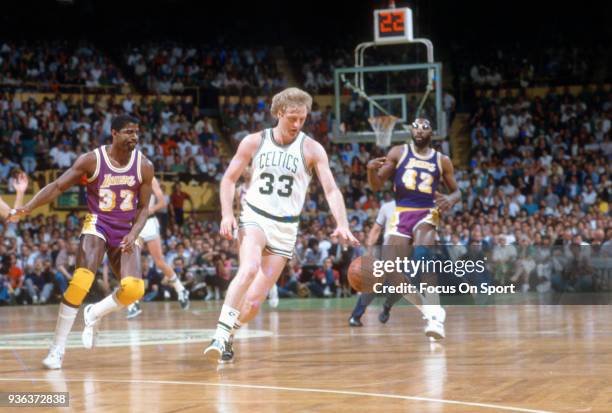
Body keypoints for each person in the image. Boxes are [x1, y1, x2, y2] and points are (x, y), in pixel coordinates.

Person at [204, 87, 359, 363]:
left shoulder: (312, 148)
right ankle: (220, 331)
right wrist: (227, 214)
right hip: (255, 217)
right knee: (249, 267)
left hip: (286, 227)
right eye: (292, 118)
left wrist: (342, 222)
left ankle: (230, 334)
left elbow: (331, 190)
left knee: (253, 303)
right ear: (278, 113)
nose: (297, 124)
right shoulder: (254, 141)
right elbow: (228, 179)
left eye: (302, 119)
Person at [9, 115, 153, 369]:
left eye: (137, 133)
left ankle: (94, 313)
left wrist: (135, 231)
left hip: (127, 230)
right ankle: (57, 349)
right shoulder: (92, 160)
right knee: (81, 281)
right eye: (128, 132)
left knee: (134, 290)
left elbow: (143, 208)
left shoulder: (144, 166)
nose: (134, 137)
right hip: (99, 224)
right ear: (114, 133)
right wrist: (29, 207)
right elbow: (57, 186)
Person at [366, 117, 461, 340]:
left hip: (427, 211)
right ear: (411, 132)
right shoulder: (398, 152)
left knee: (423, 255)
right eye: (416, 128)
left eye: (424, 128)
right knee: (389, 268)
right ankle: (430, 312)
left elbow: (457, 191)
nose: (419, 131)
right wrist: (370, 171)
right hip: (402, 212)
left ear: (431, 133)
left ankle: (435, 315)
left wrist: (451, 198)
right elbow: (376, 185)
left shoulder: (442, 160)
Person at [126, 176, 190, 319]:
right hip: (134, 225)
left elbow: (162, 202)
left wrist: (151, 209)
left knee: (159, 262)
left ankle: (181, 289)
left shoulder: (150, 178)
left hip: (149, 223)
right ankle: (133, 302)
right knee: (132, 262)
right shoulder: (124, 177)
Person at [348, 197, 402, 326]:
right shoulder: (387, 207)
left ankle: (387, 307)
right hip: (388, 251)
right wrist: (369, 251)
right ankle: (356, 316)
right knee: (373, 283)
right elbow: (376, 230)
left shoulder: (419, 207)